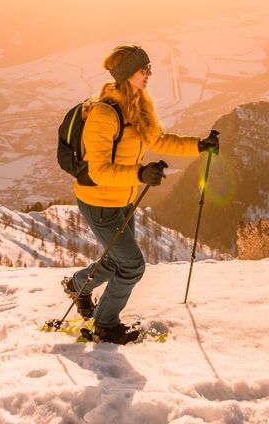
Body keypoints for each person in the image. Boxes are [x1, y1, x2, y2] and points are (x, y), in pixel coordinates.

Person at [63, 44, 219, 344]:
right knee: (132, 265)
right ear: (126, 75)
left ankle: (77, 284)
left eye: (149, 68)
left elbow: (159, 140)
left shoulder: (137, 103)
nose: (149, 74)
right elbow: (98, 171)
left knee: (116, 262)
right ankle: (105, 325)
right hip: (97, 201)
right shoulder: (103, 114)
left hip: (122, 197)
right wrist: (138, 174)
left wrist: (199, 146)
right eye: (143, 69)